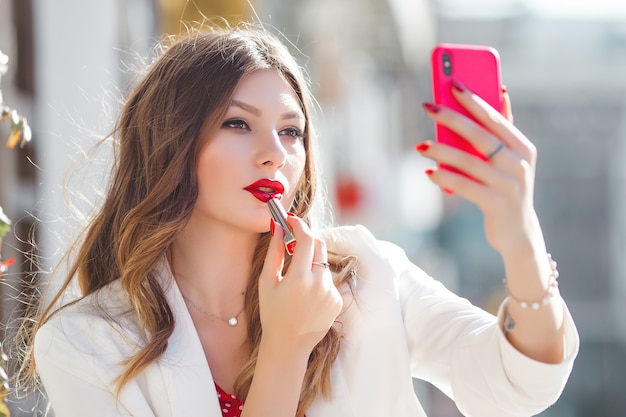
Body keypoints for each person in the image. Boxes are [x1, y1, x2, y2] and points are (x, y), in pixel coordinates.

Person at [17, 23, 578, 417]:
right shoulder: (84, 343)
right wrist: (287, 348)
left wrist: (520, 240)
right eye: (239, 125)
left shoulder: (365, 274)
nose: (275, 153)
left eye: (291, 131)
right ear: (170, 145)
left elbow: (519, 385)